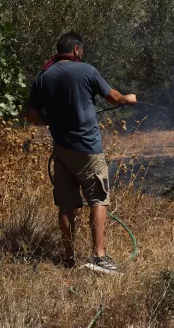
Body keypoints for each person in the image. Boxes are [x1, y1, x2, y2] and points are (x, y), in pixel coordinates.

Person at [25, 32, 136, 274]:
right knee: (98, 198)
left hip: (62, 151)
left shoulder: (43, 76)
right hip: (88, 149)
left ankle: (68, 258)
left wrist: (52, 123)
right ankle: (99, 257)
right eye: (81, 51)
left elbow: (31, 115)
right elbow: (113, 97)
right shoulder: (87, 70)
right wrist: (128, 99)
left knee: (66, 205)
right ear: (76, 50)